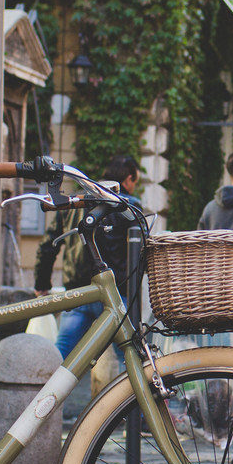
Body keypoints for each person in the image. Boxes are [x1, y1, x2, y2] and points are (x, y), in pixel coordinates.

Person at [55, 154, 142, 359]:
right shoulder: (129, 205)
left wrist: (41, 282)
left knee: (60, 354)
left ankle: (40, 387)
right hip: (116, 291)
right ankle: (133, 391)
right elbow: (140, 250)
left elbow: (50, 242)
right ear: (129, 179)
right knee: (128, 355)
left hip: (78, 291)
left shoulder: (75, 202)